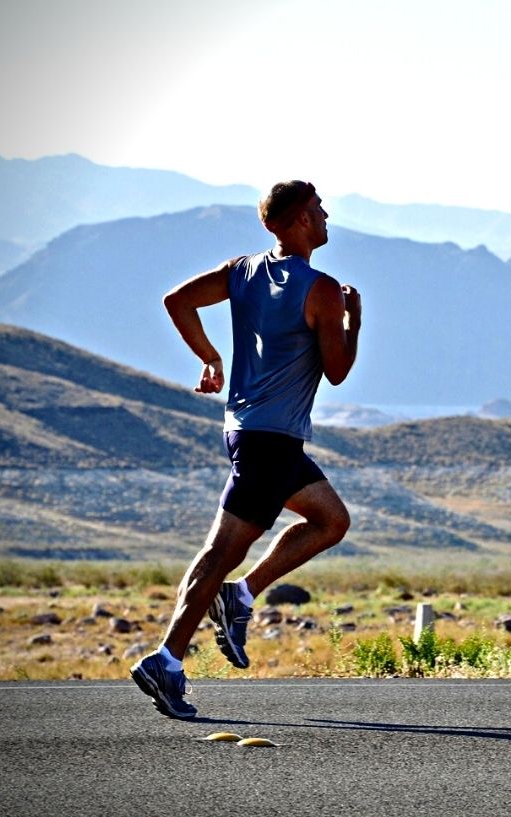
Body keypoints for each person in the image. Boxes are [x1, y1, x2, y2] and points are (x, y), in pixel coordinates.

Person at [130, 181, 361, 718]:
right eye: (320, 210)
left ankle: (241, 595)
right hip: (271, 441)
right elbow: (338, 371)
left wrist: (210, 358)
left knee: (330, 520)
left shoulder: (243, 271)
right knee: (220, 552)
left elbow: (178, 300)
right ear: (301, 220)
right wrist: (354, 320)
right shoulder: (321, 289)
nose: (327, 217)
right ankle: (166, 660)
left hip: (251, 432)